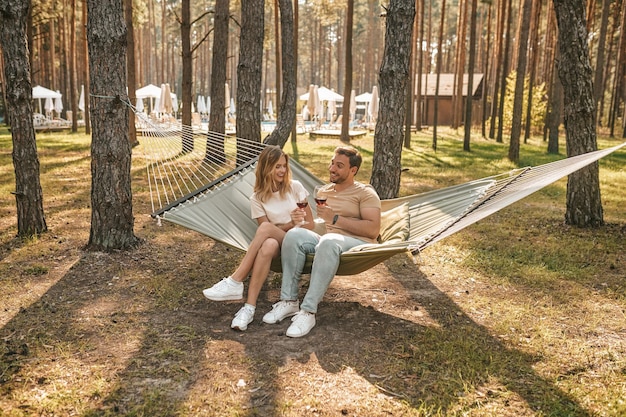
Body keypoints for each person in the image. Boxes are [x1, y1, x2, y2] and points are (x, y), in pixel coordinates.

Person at [262, 146, 381, 337]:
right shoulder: (324, 191)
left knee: (328, 240)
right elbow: (315, 222)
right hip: (328, 239)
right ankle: (289, 301)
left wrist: (336, 219)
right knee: (294, 234)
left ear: (353, 171)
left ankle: (308, 311)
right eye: (332, 163)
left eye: (339, 166)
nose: (332, 168)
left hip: (357, 242)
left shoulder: (365, 193)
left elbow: (373, 229)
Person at [202, 145, 313, 331]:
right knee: (268, 244)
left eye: (284, 166)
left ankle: (236, 281)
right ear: (265, 167)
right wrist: (289, 224)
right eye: (277, 166)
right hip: (279, 244)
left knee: (266, 230)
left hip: (300, 241)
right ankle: (248, 308)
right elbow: (267, 232)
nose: (282, 170)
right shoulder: (257, 198)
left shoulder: (295, 188)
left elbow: (310, 224)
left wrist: (294, 224)